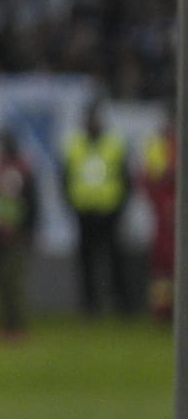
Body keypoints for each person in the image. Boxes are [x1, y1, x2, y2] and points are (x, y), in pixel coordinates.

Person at [63, 106, 137, 317]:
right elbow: (66, 178)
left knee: (115, 260)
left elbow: (125, 179)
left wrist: (119, 208)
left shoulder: (113, 144)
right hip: (84, 211)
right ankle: (89, 304)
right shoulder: (74, 144)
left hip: (109, 211)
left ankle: (121, 303)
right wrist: (73, 204)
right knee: (86, 262)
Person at [0, 129, 40, 342]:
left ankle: (17, 326)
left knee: (12, 281)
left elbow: (32, 202)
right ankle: (2, 325)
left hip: (14, 233)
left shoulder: (22, 169)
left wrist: (29, 230)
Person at [148, 121, 176, 321]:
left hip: (172, 212)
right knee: (162, 267)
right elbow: (149, 179)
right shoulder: (156, 147)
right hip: (163, 216)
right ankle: (162, 309)